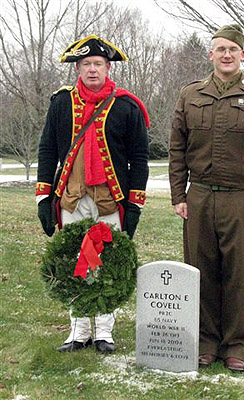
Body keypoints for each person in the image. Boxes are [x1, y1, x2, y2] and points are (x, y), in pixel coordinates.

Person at [169, 24, 244, 372]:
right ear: (211, 54)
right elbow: (177, 148)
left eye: (233, 50)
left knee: (240, 276)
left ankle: (237, 345)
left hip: (242, 200)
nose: (227, 55)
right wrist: (179, 195)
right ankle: (206, 342)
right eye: (220, 49)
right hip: (200, 197)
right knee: (200, 272)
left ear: (242, 54)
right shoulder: (190, 95)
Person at [36, 35, 149, 353]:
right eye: (86, 64)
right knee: (77, 262)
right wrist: (44, 197)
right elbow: (47, 150)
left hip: (110, 199)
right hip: (71, 196)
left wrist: (135, 202)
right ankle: (79, 330)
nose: (93, 69)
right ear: (78, 69)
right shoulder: (61, 103)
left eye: (98, 64)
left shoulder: (126, 106)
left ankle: (104, 332)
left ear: (107, 67)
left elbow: (139, 157)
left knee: (107, 263)